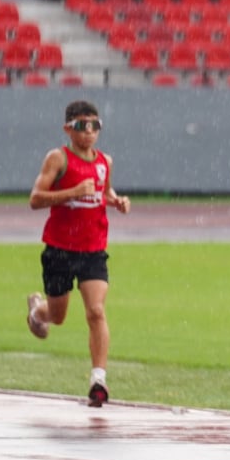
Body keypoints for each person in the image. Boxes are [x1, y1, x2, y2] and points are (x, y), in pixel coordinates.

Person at [26, 101, 131, 407]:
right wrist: (71, 192)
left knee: (96, 311)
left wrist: (117, 201)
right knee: (57, 316)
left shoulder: (105, 162)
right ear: (68, 128)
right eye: (83, 126)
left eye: (95, 126)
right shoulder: (58, 159)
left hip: (93, 249)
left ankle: (98, 379)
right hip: (60, 248)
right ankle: (37, 311)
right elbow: (35, 198)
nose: (89, 133)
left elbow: (104, 191)